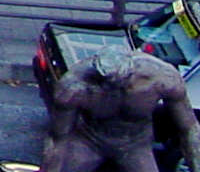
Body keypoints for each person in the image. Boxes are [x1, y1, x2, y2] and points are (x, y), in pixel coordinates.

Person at [41, 51, 200, 172]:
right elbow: (58, 138)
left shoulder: (163, 79)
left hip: (135, 144)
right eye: (106, 83)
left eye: (119, 82)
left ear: (131, 72)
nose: (112, 88)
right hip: (89, 141)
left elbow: (189, 128)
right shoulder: (73, 88)